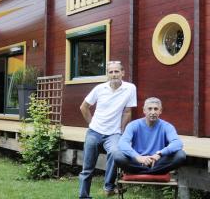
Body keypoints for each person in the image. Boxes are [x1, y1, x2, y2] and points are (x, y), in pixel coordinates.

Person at [79, 61, 137, 198]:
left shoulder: (130, 88)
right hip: (94, 131)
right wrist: (91, 123)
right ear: (107, 75)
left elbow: (127, 112)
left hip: (113, 133)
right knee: (87, 168)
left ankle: (109, 187)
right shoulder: (100, 89)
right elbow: (83, 107)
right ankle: (84, 196)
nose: (114, 74)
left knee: (116, 153)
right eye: (110, 72)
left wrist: (121, 131)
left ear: (122, 73)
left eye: (116, 71)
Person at [114, 97, 186, 175]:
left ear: (160, 111)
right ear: (144, 110)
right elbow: (122, 143)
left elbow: (178, 143)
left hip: (157, 161)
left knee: (180, 155)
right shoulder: (133, 125)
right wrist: (138, 157)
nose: (153, 112)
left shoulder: (167, 126)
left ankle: (143, 172)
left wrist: (160, 154)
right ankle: (153, 172)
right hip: (138, 161)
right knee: (118, 156)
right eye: (150, 109)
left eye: (156, 109)